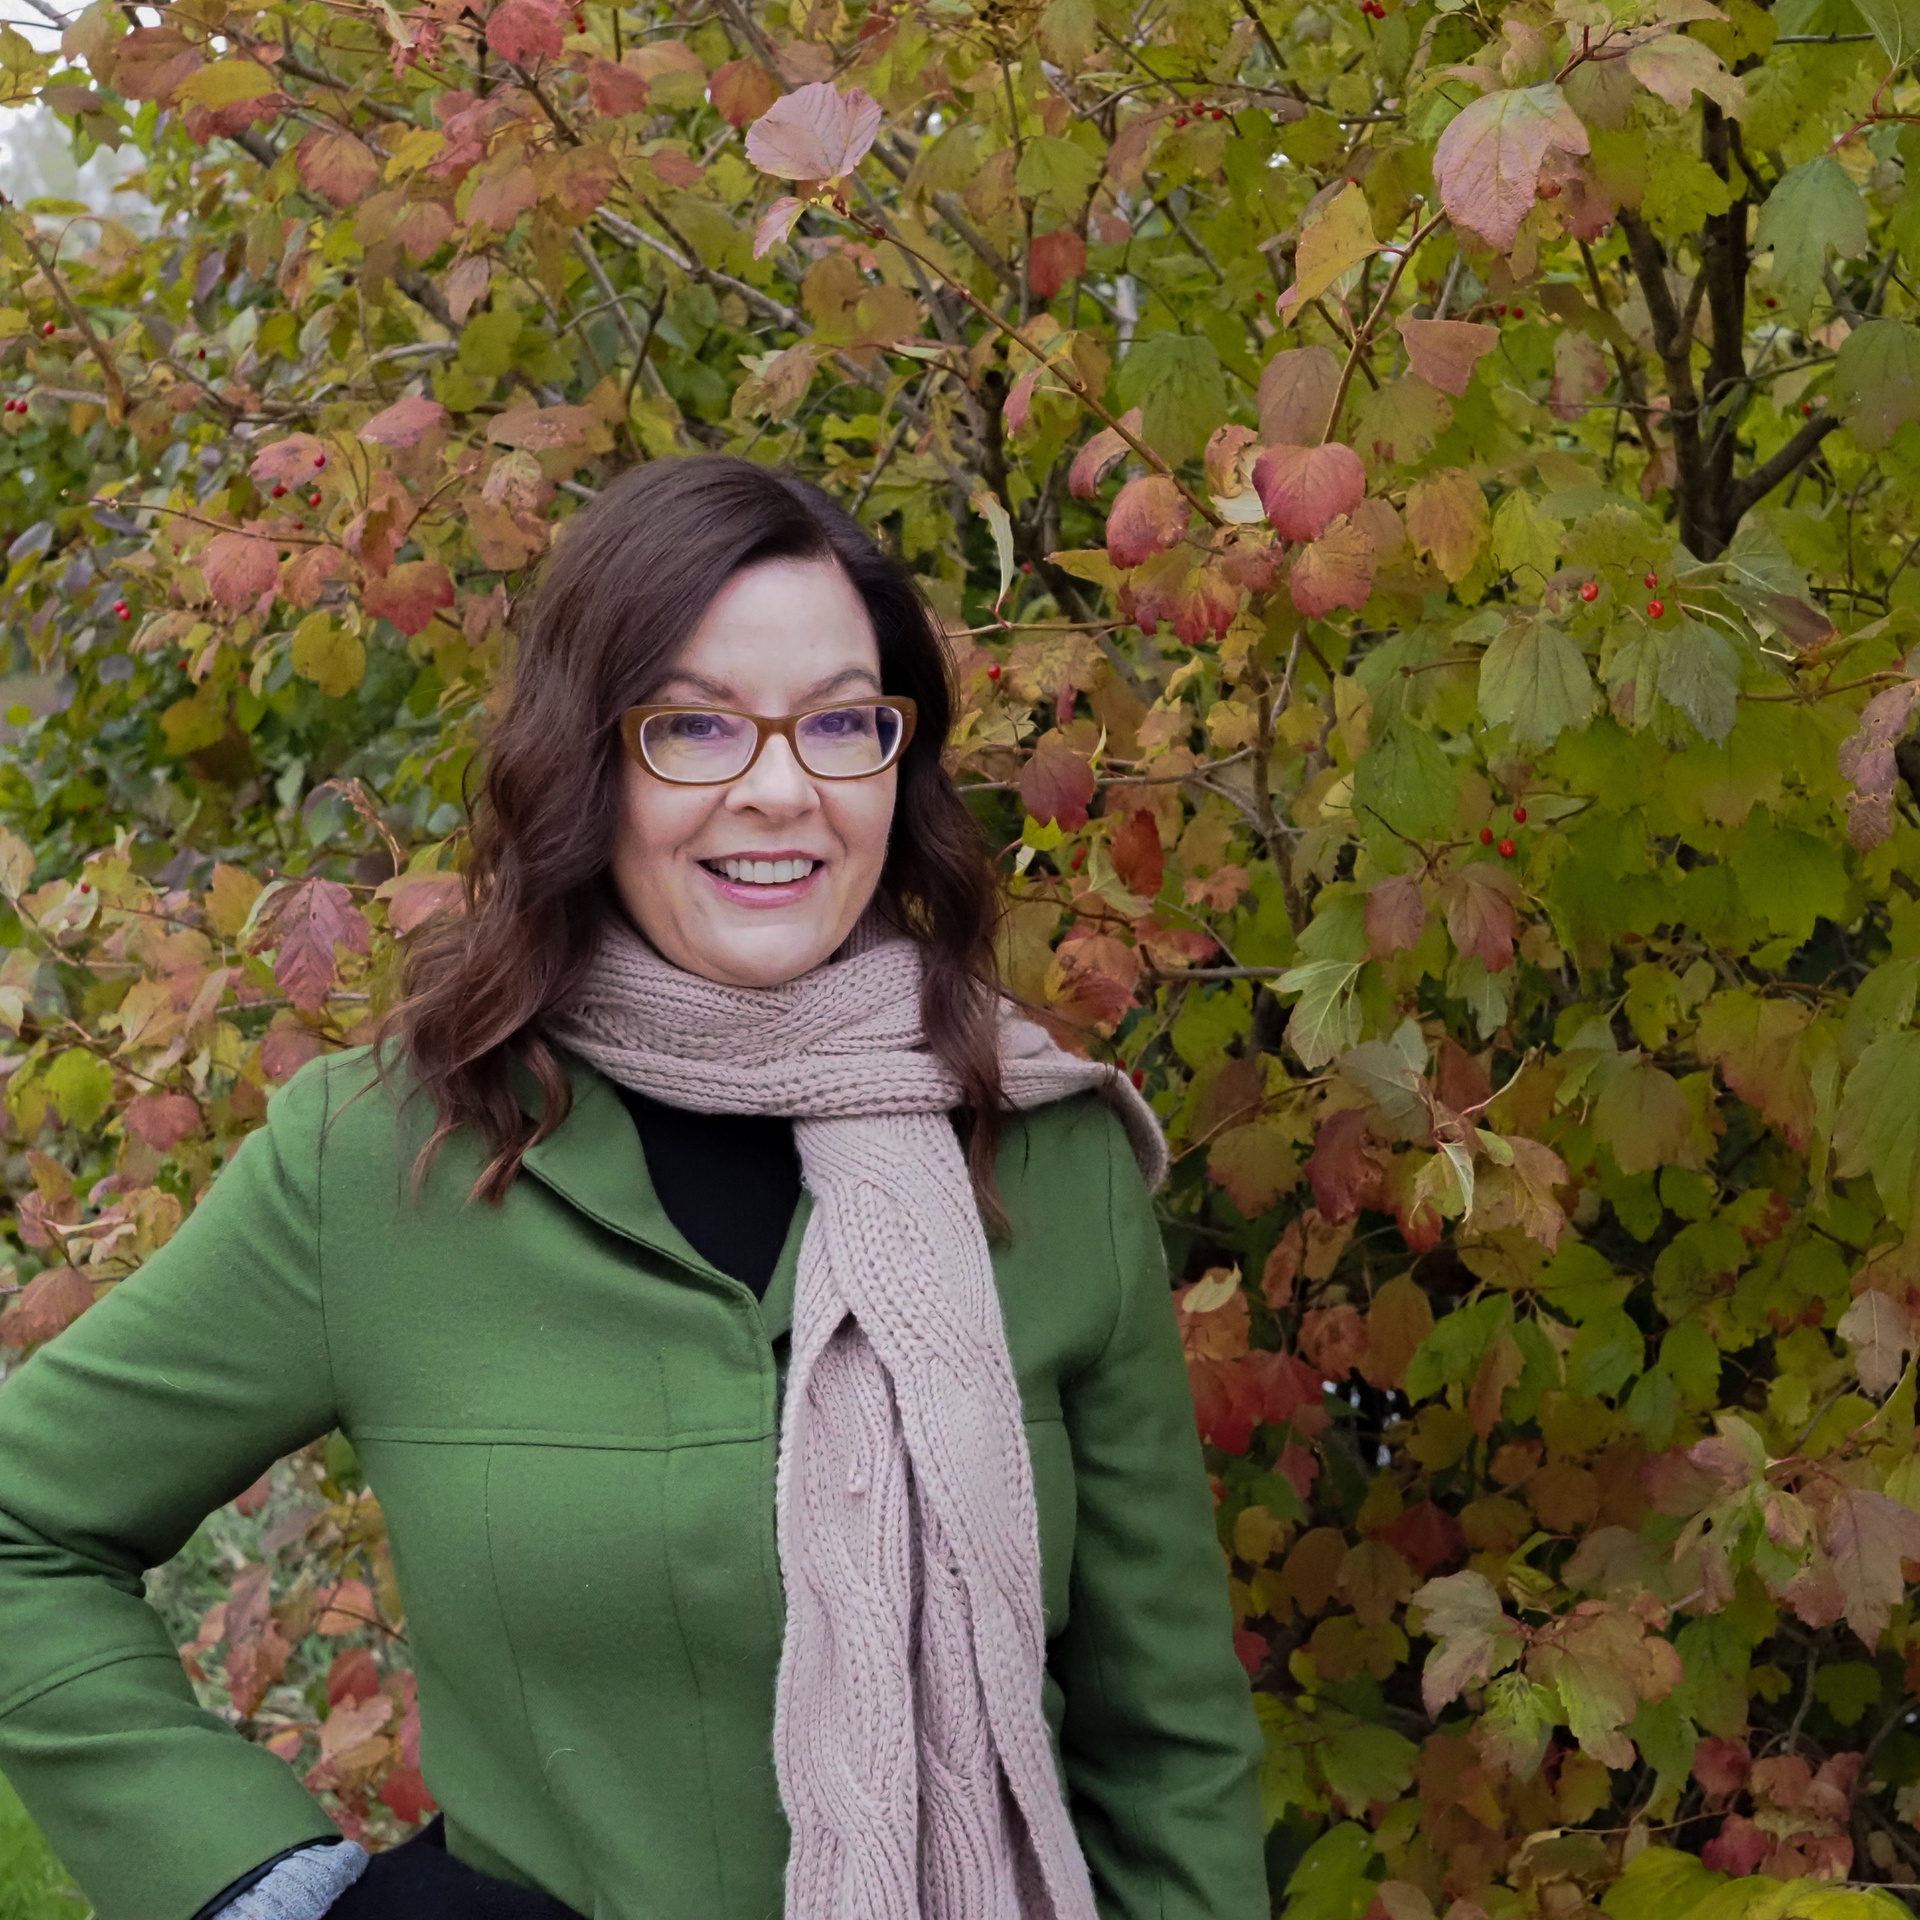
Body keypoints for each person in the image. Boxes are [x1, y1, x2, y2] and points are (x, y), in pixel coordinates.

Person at [0, 454, 1266, 1920]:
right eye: (696, 727)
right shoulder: (385, 1156)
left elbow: (1167, 1744)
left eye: (842, 722)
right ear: (586, 759)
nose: (783, 791)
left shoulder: (1044, 1151)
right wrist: (275, 1890)